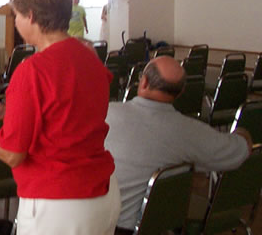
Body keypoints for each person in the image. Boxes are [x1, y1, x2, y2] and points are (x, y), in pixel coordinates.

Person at [0, 0, 120, 235]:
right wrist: (9, 110)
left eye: (16, 15)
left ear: (31, 16)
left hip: (58, 202)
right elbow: (70, 107)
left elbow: (13, 155)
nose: (16, 22)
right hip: (102, 193)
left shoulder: (32, 70)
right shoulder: (89, 57)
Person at [105, 56, 251, 233]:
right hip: (144, 227)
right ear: (180, 92)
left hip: (95, 222)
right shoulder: (189, 131)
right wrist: (242, 133)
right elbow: (238, 152)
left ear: (143, 82)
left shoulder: (105, 114)